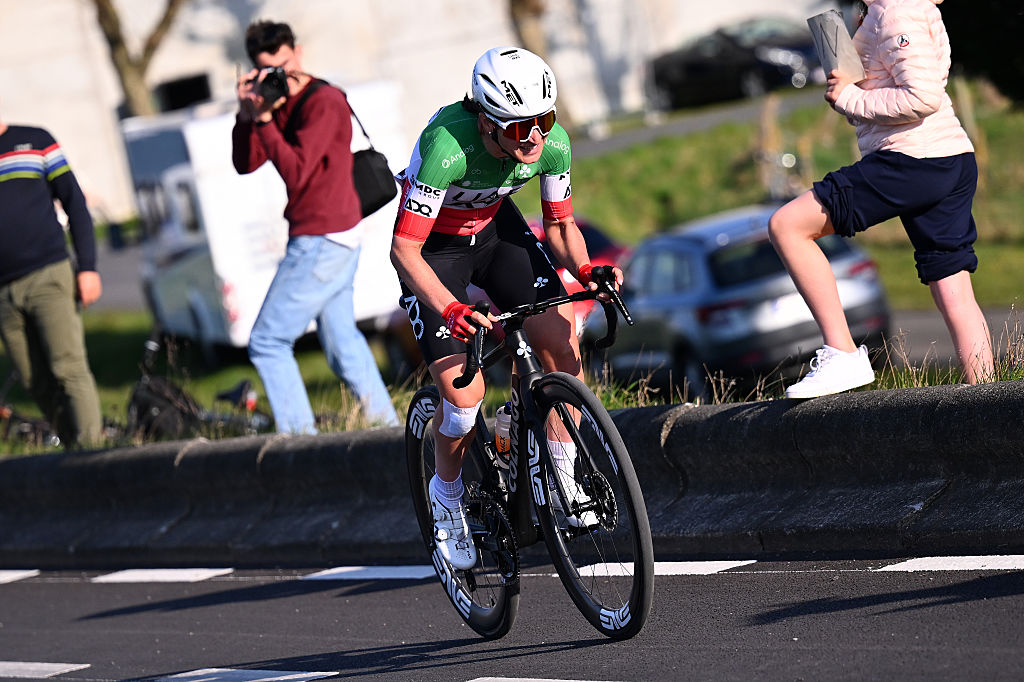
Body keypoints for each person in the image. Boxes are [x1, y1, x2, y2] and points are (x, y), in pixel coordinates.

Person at [390, 47, 623, 569]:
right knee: (465, 398)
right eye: (520, 128)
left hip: (497, 234)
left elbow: (560, 227)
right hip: (433, 253)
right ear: (488, 122)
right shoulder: (446, 147)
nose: (536, 138)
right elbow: (403, 250)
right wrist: (450, 308)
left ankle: (559, 469)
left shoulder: (551, 144)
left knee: (562, 343)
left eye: (544, 120)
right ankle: (446, 496)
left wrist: (588, 271)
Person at [768, 0, 994, 399]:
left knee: (787, 225)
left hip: (914, 159)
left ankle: (843, 354)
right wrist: (851, 86)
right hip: (949, 156)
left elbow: (922, 97)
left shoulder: (896, 11)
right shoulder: (894, 10)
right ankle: (990, 400)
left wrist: (851, 100)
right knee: (951, 286)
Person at [231, 19, 398, 432]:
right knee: (343, 345)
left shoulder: (323, 101)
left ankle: (300, 442)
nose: (280, 77)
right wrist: (247, 113)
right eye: (269, 71)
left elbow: (298, 173)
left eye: (285, 65)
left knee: (268, 342)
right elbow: (245, 163)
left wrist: (266, 121)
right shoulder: (274, 103)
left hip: (323, 237)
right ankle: (390, 431)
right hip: (330, 236)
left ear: (298, 53)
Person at [0, 109, 104, 448]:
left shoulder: (35, 141)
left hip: (48, 275)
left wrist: (87, 266)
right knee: (35, 381)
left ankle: (94, 457)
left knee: (67, 368)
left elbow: (74, 203)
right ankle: (73, 453)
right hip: (3, 295)